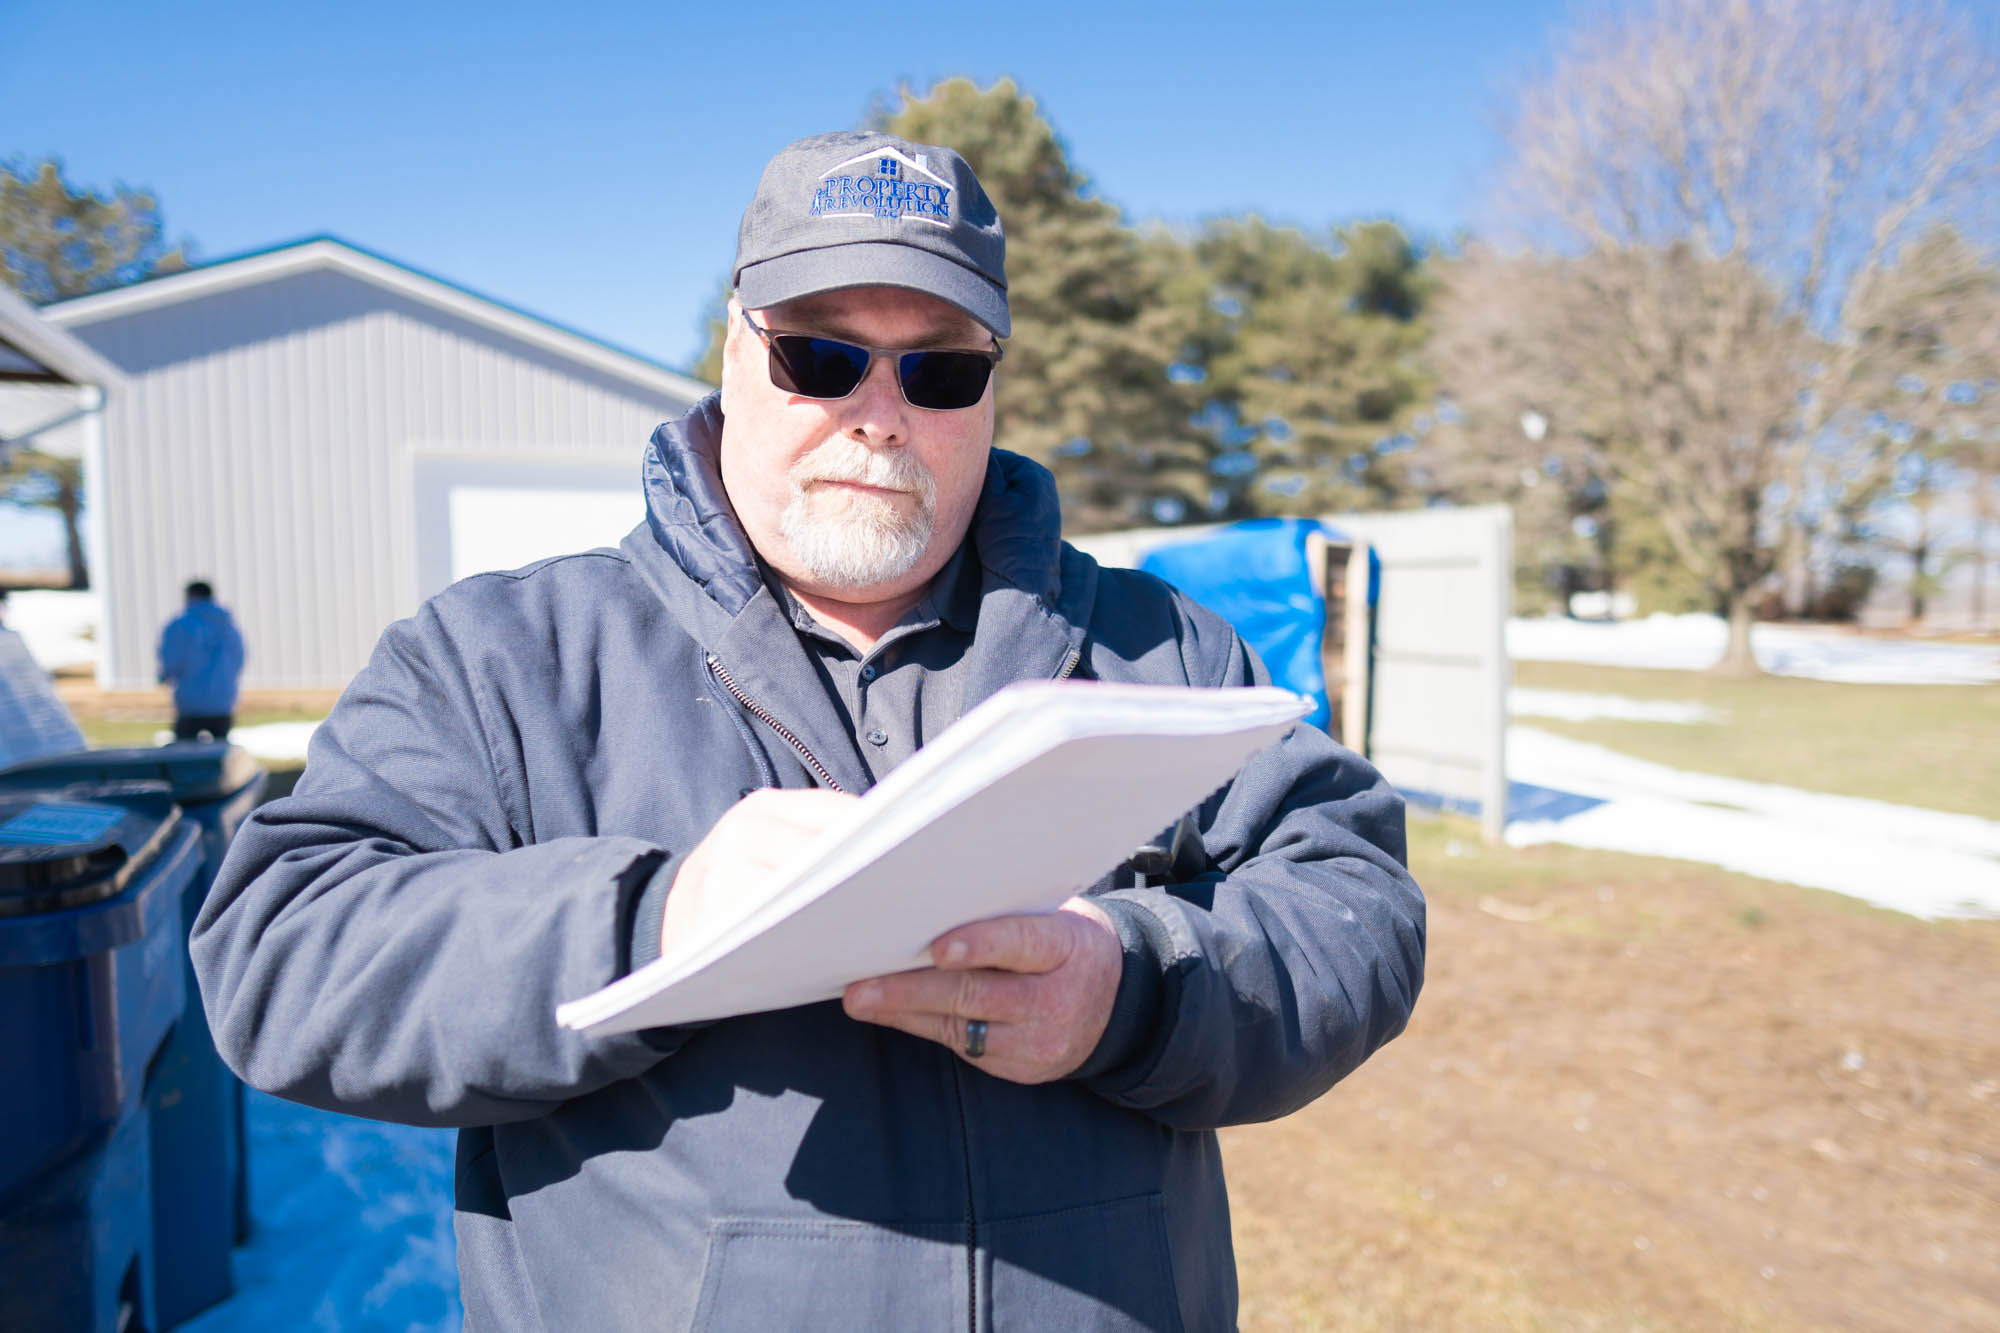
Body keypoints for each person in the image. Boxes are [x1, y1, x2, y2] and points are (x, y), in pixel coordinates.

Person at [192, 131, 1425, 1332]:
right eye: (821, 359)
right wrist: (653, 922)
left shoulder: (1157, 648)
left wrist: (1135, 986)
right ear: (735, 352)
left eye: (937, 370)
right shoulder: (503, 655)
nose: (878, 415)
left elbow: (1350, 899)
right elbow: (281, 950)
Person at [157, 579, 245, 741]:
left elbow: (171, 657)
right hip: (223, 700)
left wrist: (165, 676)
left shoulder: (181, 625)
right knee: (220, 752)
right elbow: (239, 657)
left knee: (185, 751)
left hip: (191, 701)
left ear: (191, 596)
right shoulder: (228, 626)